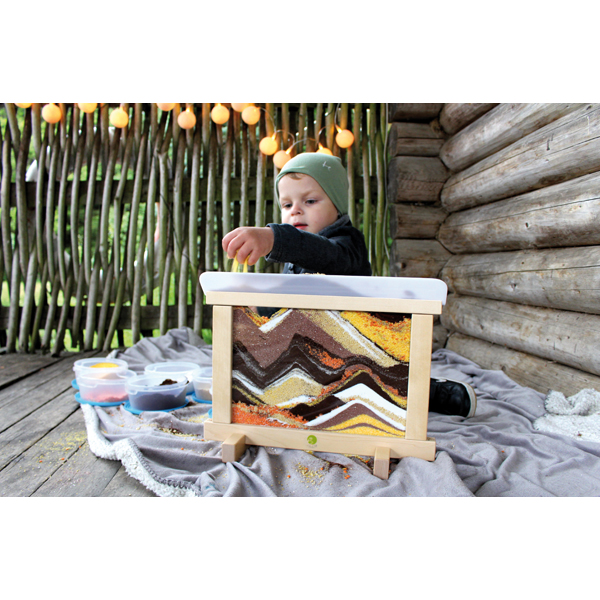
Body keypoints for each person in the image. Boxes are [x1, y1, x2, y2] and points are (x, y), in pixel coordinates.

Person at [222, 152, 476, 418]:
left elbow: (324, 255)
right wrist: (260, 308)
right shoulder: (294, 258)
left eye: (310, 201)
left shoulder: (346, 244)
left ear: (337, 205)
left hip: (358, 351)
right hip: (314, 355)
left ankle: (430, 392)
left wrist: (276, 238)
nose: (295, 210)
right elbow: (288, 301)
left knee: (385, 382)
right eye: (286, 205)